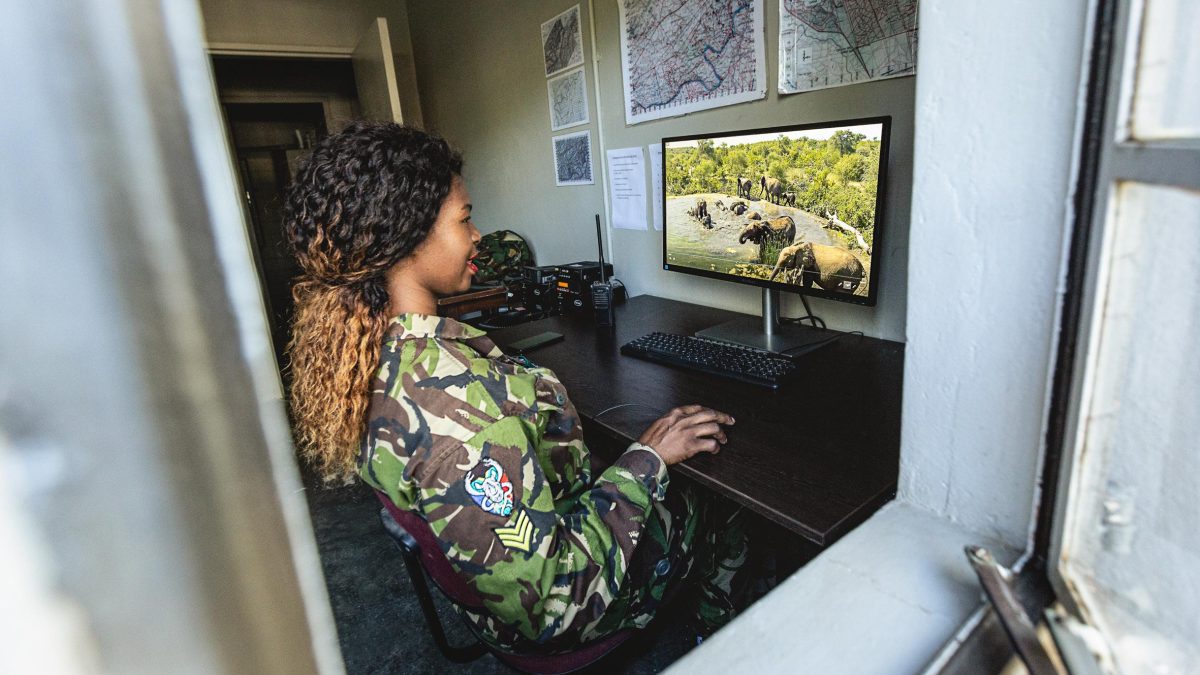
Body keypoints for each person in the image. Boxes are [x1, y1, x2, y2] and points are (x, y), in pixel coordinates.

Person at [284, 121, 749, 653]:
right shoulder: (461, 417)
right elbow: (552, 598)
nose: (478, 234)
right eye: (465, 218)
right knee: (715, 496)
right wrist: (647, 458)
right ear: (406, 237)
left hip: (485, 582)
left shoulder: (367, 353)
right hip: (554, 606)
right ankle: (724, 645)